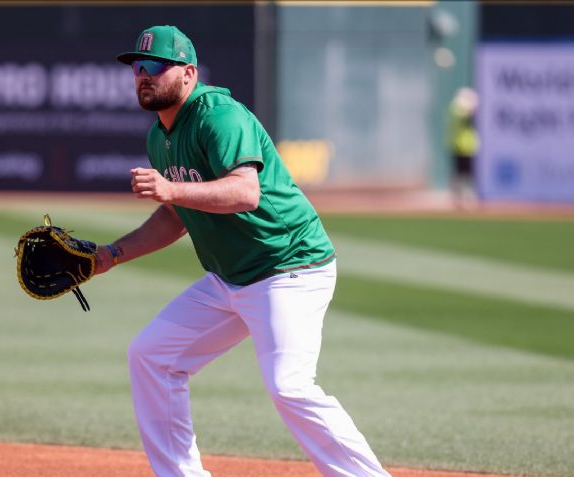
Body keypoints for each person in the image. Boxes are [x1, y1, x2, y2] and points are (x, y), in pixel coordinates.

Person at [93, 25, 391, 477]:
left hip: (288, 268)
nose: (143, 76)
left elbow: (245, 191)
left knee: (289, 386)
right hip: (229, 279)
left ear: (189, 73)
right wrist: (111, 255)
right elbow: (176, 215)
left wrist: (170, 187)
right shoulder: (160, 136)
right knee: (151, 355)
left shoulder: (218, 116)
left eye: (155, 66)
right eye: (137, 67)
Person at [446, 87, 480, 209]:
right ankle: (457, 198)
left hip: (468, 147)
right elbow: (460, 116)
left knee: (468, 174)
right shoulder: (457, 110)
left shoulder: (468, 112)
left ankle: (468, 198)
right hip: (458, 146)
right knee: (458, 174)